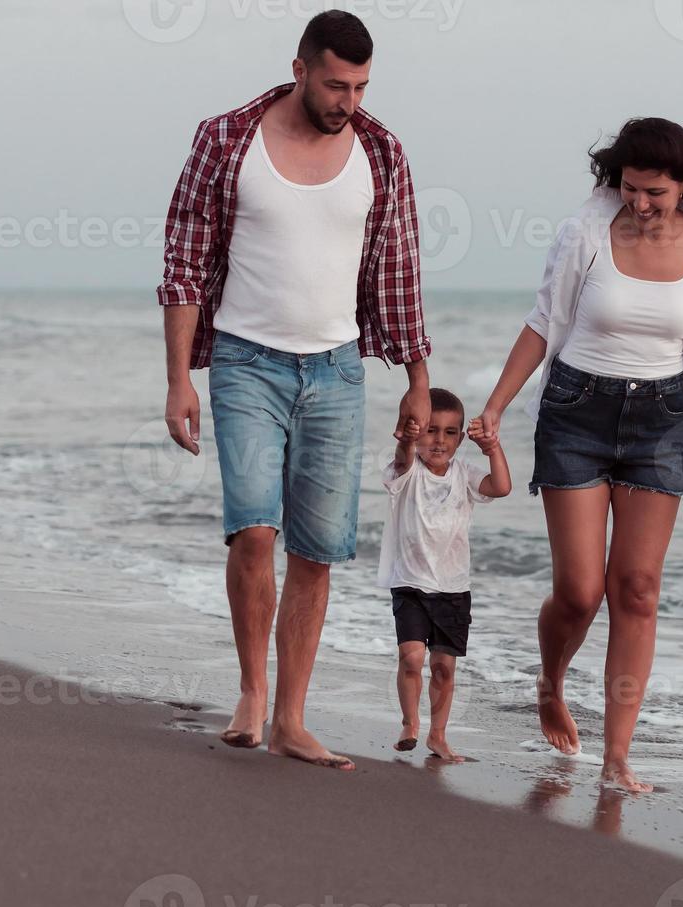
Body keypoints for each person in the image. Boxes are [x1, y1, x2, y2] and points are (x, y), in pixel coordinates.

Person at [157, 11, 432, 771]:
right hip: (247, 362)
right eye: (336, 83)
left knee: (316, 551)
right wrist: (180, 377)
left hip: (337, 371)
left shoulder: (381, 151)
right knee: (253, 528)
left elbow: (398, 273)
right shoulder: (227, 139)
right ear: (301, 68)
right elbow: (183, 261)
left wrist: (418, 381)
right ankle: (251, 691)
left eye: (361, 86)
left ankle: (292, 718)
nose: (348, 99)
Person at [474, 118, 683, 792]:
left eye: (655, 192)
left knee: (638, 591)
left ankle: (618, 756)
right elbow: (544, 323)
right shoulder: (586, 230)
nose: (641, 204)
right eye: (630, 189)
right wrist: (497, 405)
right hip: (576, 414)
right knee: (581, 591)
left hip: (660, 423)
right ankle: (551, 680)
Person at [377, 388, 511, 762]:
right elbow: (403, 459)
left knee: (443, 668)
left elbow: (501, 487)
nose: (439, 440)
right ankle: (409, 723)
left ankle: (438, 735)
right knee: (411, 658)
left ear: (461, 438)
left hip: (453, 588)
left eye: (450, 432)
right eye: (430, 430)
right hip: (410, 583)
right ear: (415, 433)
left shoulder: (464, 475)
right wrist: (405, 439)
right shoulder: (406, 472)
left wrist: (492, 448)